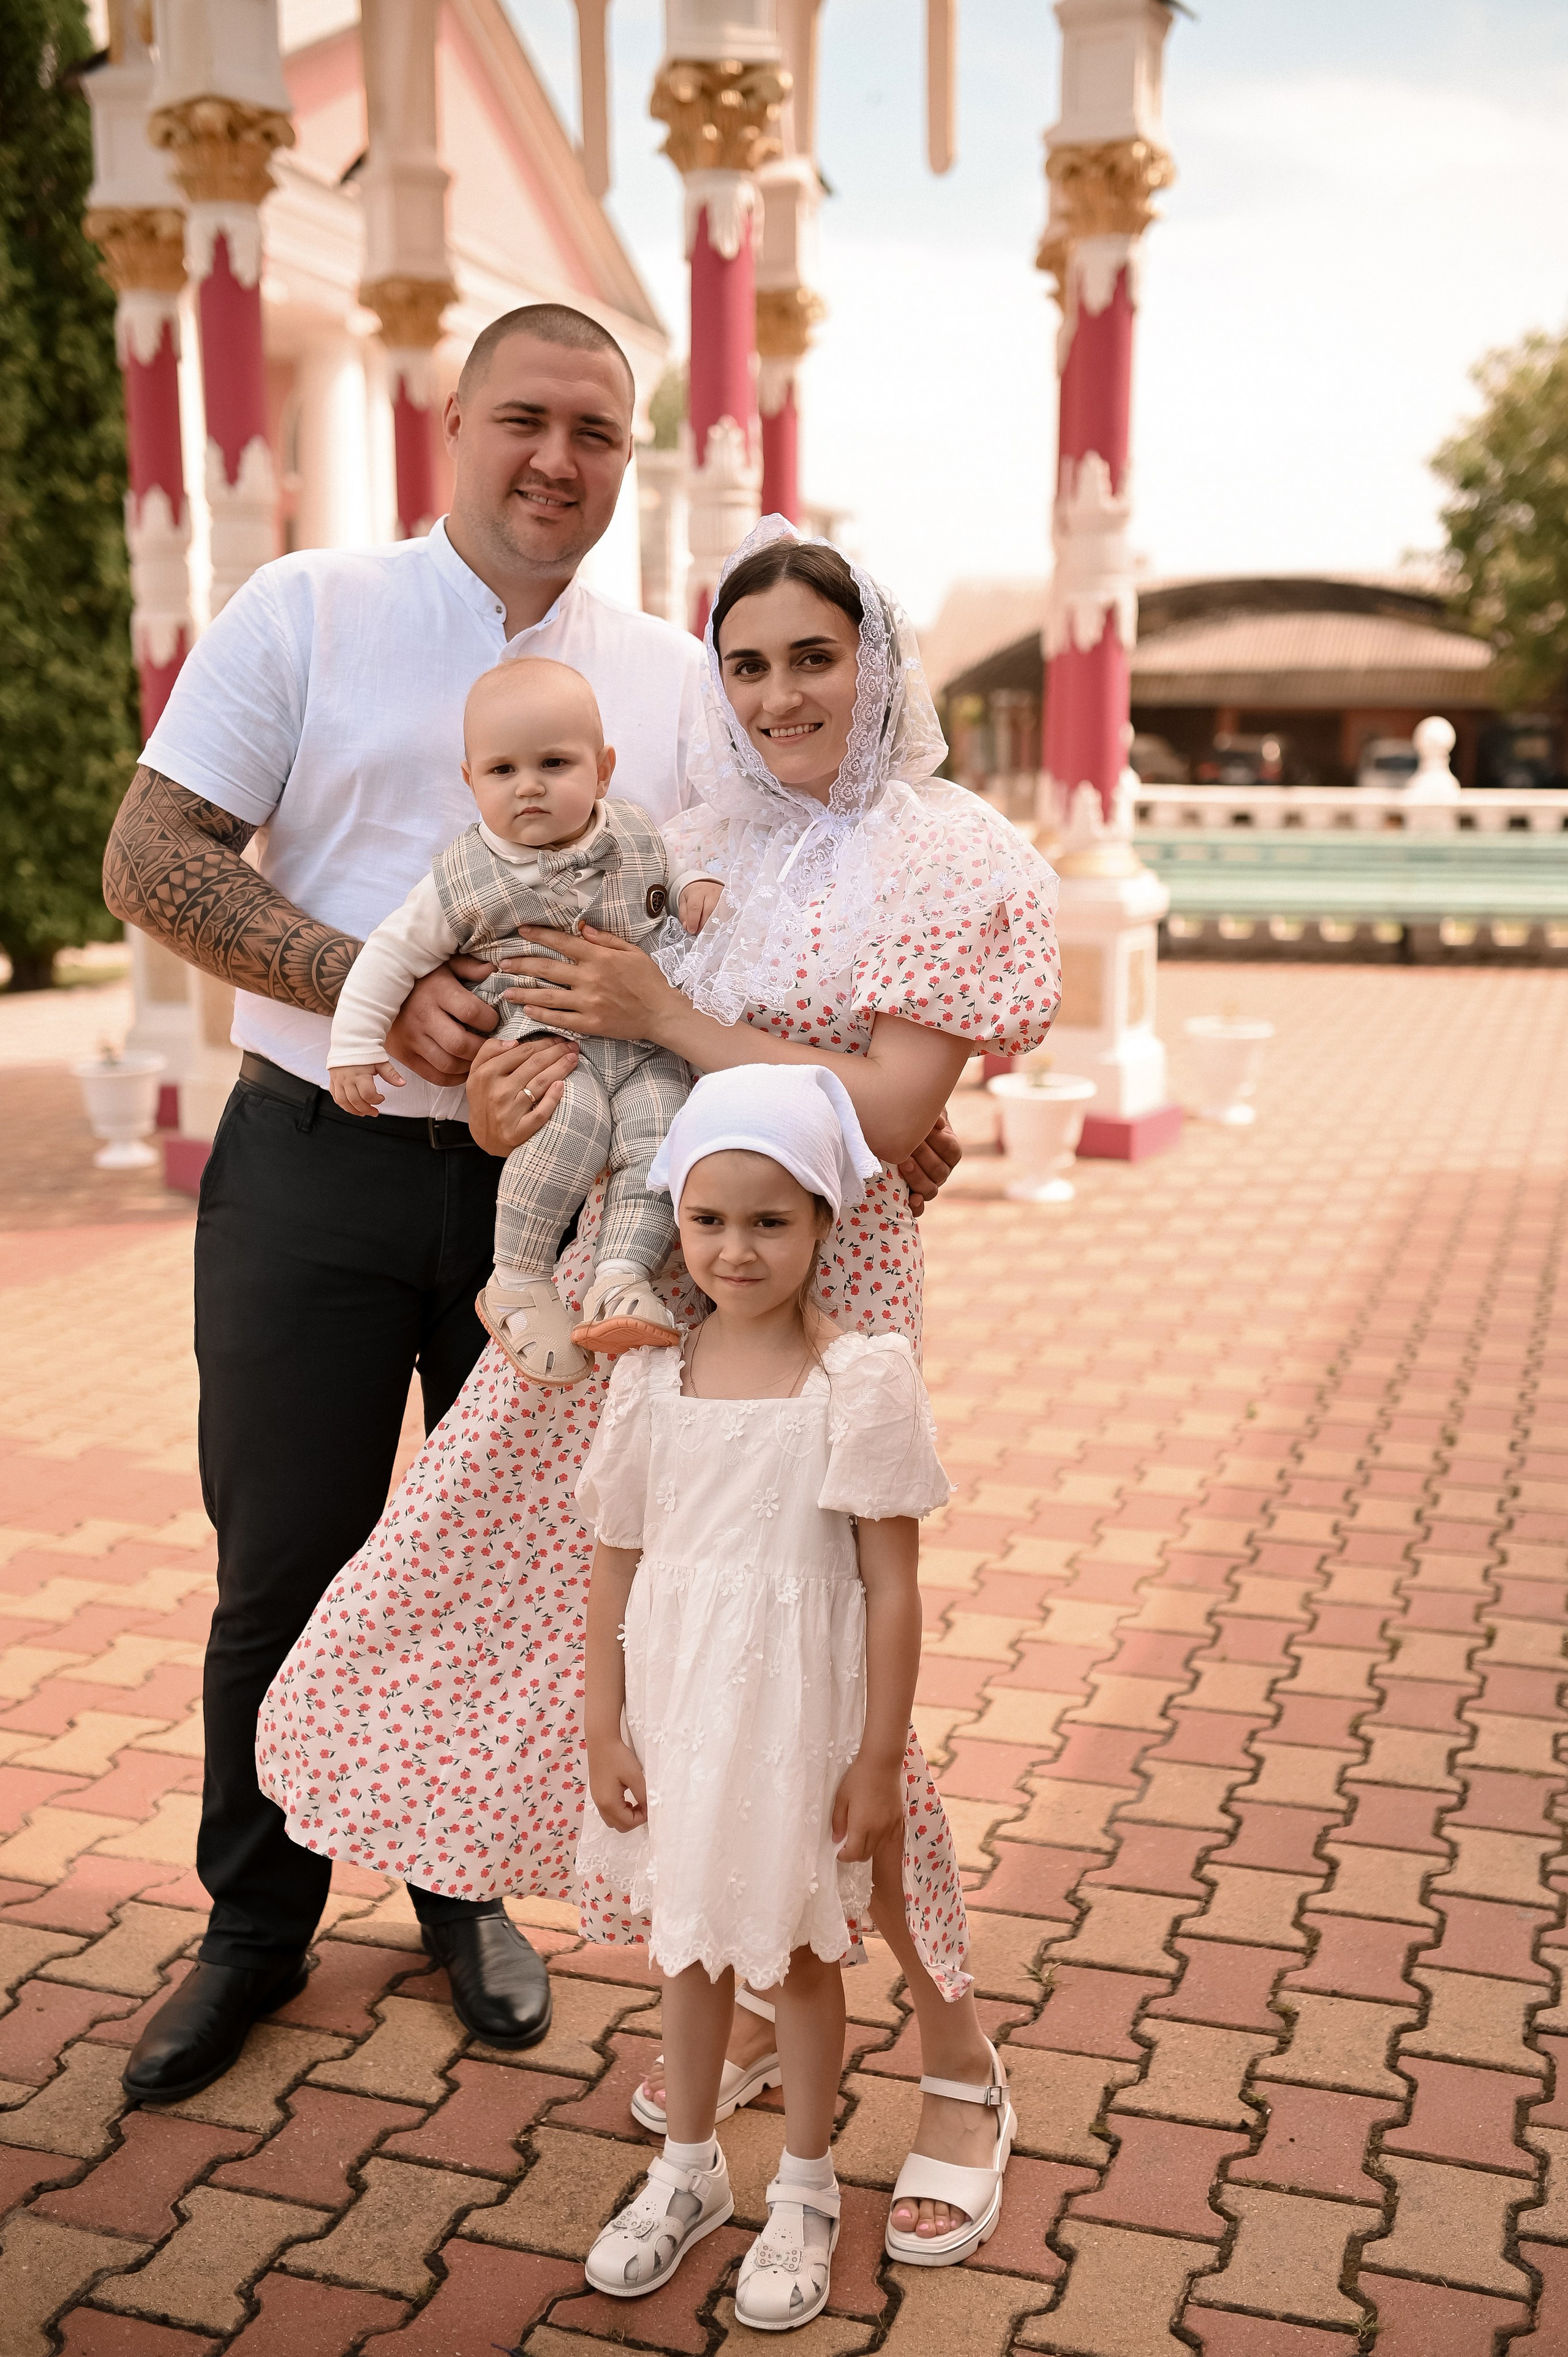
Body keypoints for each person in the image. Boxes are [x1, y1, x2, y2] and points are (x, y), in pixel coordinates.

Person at [100, 302, 959, 2106]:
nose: (556, 458)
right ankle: (251, 1925)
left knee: (512, 1560)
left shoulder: (669, 670)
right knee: (283, 1556)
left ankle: (458, 1895)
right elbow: (150, 855)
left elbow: (776, 887)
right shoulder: (310, 607)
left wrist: (893, 1085)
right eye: (525, 418)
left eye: (595, 429)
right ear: (451, 418)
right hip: (313, 1163)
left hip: (563, 1191)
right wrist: (378, 989)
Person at [257, 517, 1058, 2258]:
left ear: (879, 660)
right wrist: (514, 1097)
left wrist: (673, 1026)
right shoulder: (680, 845)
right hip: (651, 1294)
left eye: (813, 656)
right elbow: (575, 1046)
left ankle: (959, 2065)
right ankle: (756, 2007)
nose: (780, 694)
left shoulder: (955, 860)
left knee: (837, 1682)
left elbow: (895, 1117)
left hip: (825, 1309)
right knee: (669, 1655)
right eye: (748, 662)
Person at [577, 1065, 1014, 2329]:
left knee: (804, 1949)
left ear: (824, 1222)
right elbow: (614, 1560)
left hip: (797, 1723)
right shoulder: (650, 1376)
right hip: (678, 1710)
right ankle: (689, 2171)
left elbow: (888, 1588)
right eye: (708, 1220)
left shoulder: (856, 1380)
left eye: (769, 1220)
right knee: (687, 1942)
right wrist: (603, 1718)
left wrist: (874, 1759)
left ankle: (807, 2188)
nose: (734, 1247)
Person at [328, 657, 720, 1382]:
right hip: (544, 1047)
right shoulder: (463, 875)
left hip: (644, 1049)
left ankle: (620, 1276)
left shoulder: (636, 831)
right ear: (470, 779)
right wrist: (353, 1046)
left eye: (554, 763)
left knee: (663, 1132)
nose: (529, 784)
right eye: (502, 770)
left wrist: (695, 884)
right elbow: (390, 953)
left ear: (603, 769)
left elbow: (676, 869)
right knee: (571, 1129)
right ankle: (518, 1276)